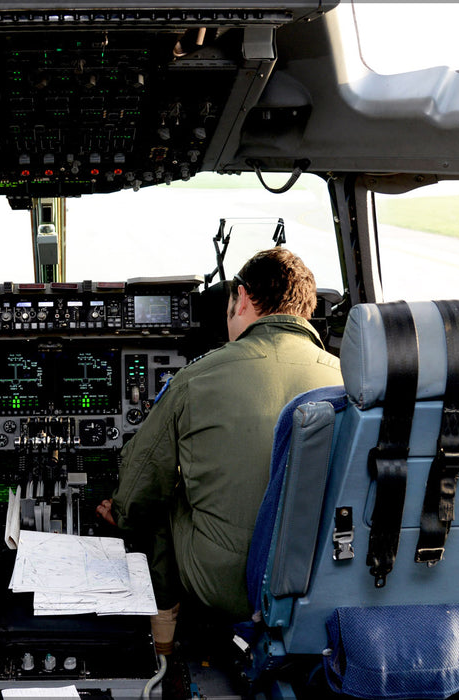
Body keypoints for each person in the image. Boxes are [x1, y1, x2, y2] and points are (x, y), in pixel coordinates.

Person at [96, 248, 341, 654]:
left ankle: (163, 637)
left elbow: (143, 477)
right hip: (318, 582)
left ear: (241, 298)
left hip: (228, 588)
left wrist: (120, 515)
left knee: (163, 494)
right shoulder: (347, 378)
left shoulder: (198, 376)